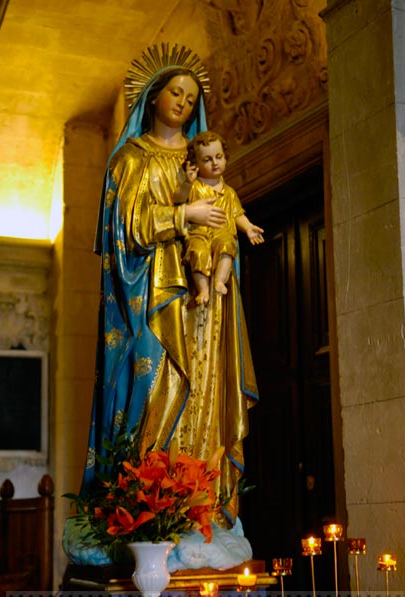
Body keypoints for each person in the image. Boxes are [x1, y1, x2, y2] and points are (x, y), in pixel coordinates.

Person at [79, 44, 258, 546]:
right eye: (174, 92)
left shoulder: (203, 160)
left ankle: (200, 507)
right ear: (153, 97)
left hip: (205, 307)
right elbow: (125, 227)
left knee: (202, 390)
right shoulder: (132, 160)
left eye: (191, 96)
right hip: (151, 300)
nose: (182, 101)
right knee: (153, 390)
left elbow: (227, 217)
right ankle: (143, 512)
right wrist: (184, 217)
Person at [175, 131, 264, 305]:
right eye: (207, 160)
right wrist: (186, 182)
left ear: (225, 157)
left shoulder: (229, 192)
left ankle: (219, 281)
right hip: (198, 233)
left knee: (227, 245)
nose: (215, 163)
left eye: (218, 157)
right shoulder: (194, 187)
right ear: (196, 163)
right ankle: (203, 289)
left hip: (222, 232)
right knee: (197, 252)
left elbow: (237, 213)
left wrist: (248, 228)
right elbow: (178, 201)